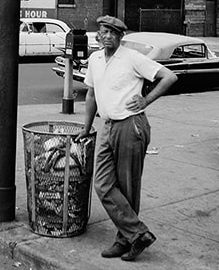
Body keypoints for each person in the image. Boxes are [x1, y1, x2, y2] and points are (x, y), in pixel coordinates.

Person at [76, 15, 178, 262]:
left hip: (130, 126)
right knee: (102, 183)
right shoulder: (95, 59)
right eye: (104, 32)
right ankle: (138, 234)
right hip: (107, 126)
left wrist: (146, 100)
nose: (108, 36)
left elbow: (169, 77)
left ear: (121, 37)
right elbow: (91, 94)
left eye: (113, 33)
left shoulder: (132, 58)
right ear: (98, 35)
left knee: (127, 187)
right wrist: (86, 127)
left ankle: (125, 240)